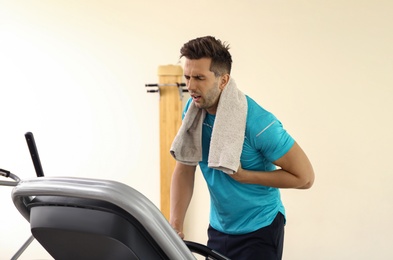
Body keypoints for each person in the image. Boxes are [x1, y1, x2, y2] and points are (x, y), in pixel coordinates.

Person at [169, 36, 314, 260]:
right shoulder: (192, 112)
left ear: (223, 80)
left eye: (199, 78)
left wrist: (246, 176)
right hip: (220, 227)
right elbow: (185, 168)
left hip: (260, 228)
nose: (190, 86)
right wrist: (175, 225)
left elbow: (305, 178)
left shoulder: (258, 123)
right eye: (187, 77)